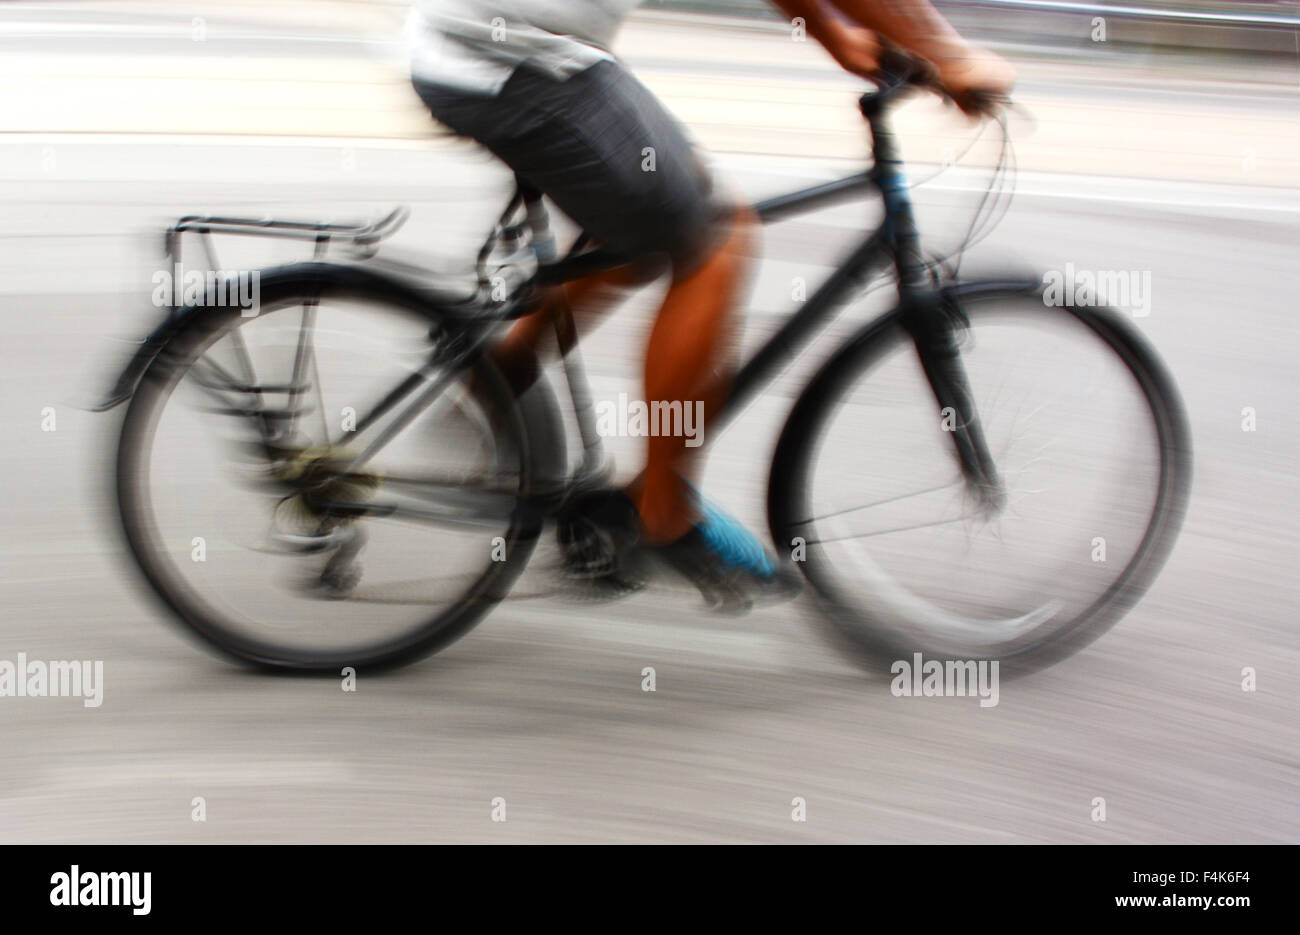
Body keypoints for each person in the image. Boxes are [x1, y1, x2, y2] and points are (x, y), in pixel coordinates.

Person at [407, 0, 1014, 606]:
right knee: (715, 245)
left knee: (658, 223)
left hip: (502, 45)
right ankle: (662, 518)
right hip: (510, 55)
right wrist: (949, 53)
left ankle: (497, 378)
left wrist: (834, 33)